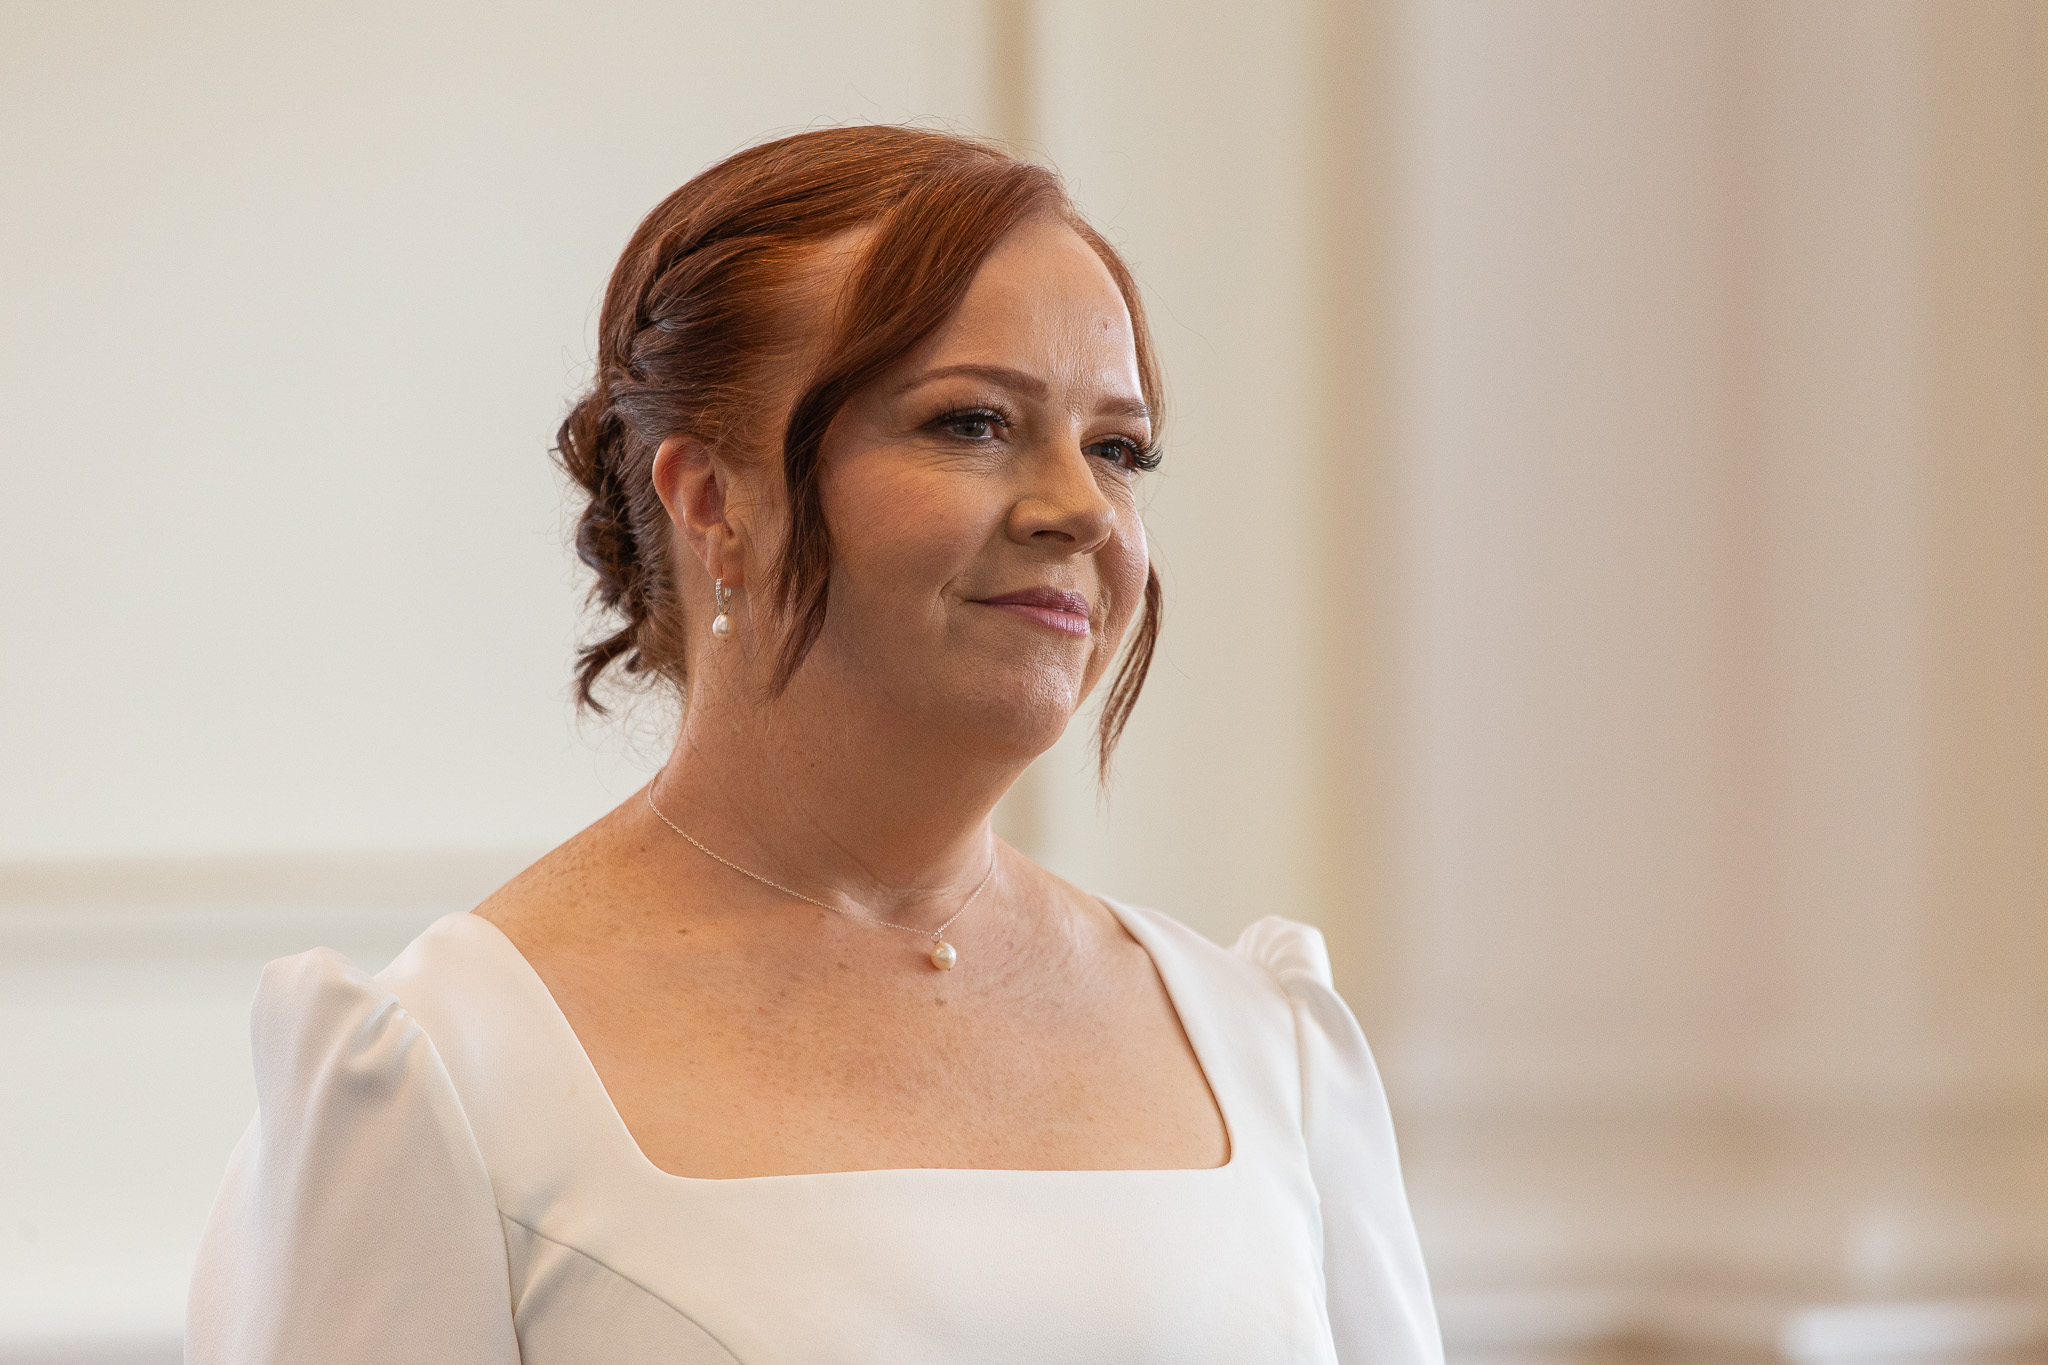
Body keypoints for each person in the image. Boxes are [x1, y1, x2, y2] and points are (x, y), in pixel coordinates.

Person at [185, 124, 1442, 1364]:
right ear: (711, 502)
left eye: (1115, 448)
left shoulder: (1266, 1053)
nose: (1079, 509)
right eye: (971, 422)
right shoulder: (443, 1076)